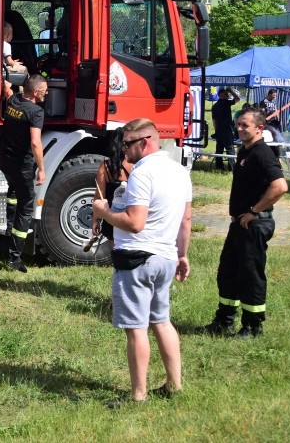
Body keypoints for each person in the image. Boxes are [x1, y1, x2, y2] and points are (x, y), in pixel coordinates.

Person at [92, 118, 192, 406]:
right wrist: (182, 254)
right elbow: (185, 220)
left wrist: (104, 211)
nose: (124, 151)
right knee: (162, 321)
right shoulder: (179, 171)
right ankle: (175, 385)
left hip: (137, 259)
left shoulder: (142, 174)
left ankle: (138, 395)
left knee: (136, 329)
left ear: (145, 141)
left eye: (127, 144)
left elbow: (135, 223)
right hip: (165, 258)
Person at [199, 109, 288, 339]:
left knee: (250, 275)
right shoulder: (244, 151)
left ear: (259, 128)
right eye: (238, 124)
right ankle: (224, 321)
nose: (239, 128)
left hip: (254, 223)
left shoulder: (262, 153)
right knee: (228, 272)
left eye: (245, 125)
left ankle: (253, 327)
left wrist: (254, 211)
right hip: (239, 223)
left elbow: (280, 186)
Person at [0, 75, 48, 271]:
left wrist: (6, 79)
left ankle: (9, 229)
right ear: (35, 92)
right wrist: (42, 169)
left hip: (5, 160)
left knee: (13, 194)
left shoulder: (14, 101)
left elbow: (8, 89)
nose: (47, 92)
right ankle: (14, 257)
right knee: (26, 206)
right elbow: (35, 142)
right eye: (44, 89)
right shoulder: (36, 112)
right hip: (21, 165)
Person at [91, 128, 134, 251]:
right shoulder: (138, 165)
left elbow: (99, 196)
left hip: (113, 219)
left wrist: (95, 220)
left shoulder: (105, 166)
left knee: (116, 256)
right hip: (133, 214)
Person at [211, 87, 240, 171]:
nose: (228, 96)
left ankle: (219, 167)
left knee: (219, 150)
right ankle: (232, 168)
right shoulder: (226, 103)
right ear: (220, 95)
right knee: (230, 149)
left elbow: (214, 121)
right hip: (226, 130)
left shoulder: (214, 106)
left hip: (219, 130)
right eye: (226, 94)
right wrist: (231, 91)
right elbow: (237, 99)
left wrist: (216, 131)